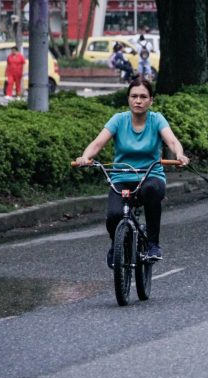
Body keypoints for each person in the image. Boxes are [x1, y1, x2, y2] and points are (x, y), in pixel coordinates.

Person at [75, 79, 190, 267]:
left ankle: (153, 244)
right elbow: (97, 144)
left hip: (150, 176)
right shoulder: (118, 120)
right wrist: (84, 157)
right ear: (128, 99)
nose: (138, 100)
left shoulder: (157, 119)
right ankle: (117, 245)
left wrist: (180, 154)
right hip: (121, 178)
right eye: (134, 96)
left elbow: (172, 141)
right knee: (114, 215)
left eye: (143, 97)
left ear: (151, 100)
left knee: (152, 191)